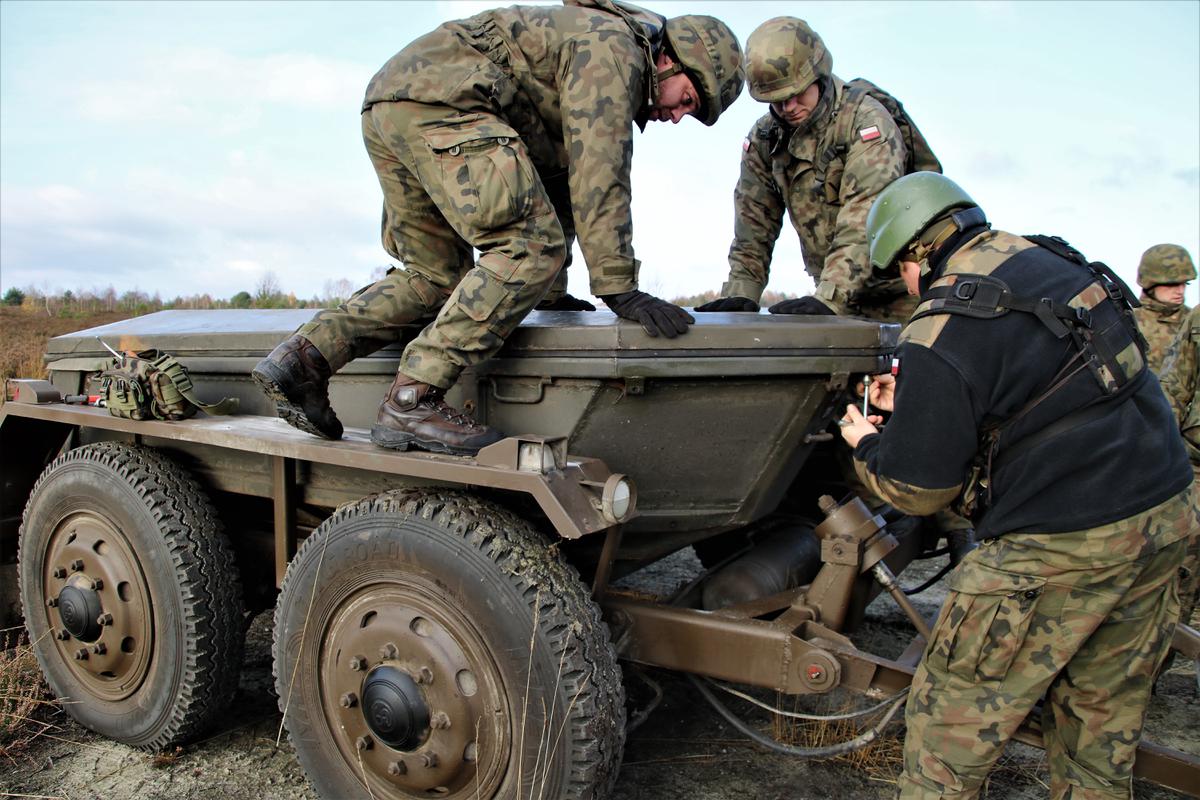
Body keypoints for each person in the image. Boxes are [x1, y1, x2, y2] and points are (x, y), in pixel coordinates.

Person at [838, 172, 1195, 799]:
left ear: (916, 255)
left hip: (1061, 544)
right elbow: (1031, 379)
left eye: (901, 273)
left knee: (946, 739)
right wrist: (927, 399)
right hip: (1166, 514)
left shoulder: (939, 327)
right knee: (1099, 732)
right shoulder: (1053, 261)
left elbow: (917, 489)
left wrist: (866, 442)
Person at [253, 0, 744, 455]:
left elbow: (557, 187)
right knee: (528, 249)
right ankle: (411, 400)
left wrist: (551, 295)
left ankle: (304, 360)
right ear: (670, 61)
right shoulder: (616, 50)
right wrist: (620, 289)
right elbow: (601, 171)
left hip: (396, 102)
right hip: (451, 103)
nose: (678, 116)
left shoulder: (587, 49)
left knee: (434, 277)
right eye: (687, 100)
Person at [695, 16, 941, 322]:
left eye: (797, 93)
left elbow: (864, 215)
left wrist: (831, 295)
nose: (788, 107)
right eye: (777, 100)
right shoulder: (764, 139)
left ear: (818, 75)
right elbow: (753, 222)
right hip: (836, 297)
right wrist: (741, 291)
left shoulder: (865, 122)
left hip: (906, 293)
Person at [1132, 243, 1195, 373]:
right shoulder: (1127, 322)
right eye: (1172, 284)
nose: (1180, 291)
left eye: (1185, 283)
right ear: (1150, 283)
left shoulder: (1194, 320)